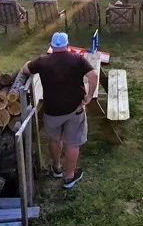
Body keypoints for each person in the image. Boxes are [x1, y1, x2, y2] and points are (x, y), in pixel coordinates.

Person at [21, 32, 98, 190]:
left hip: (52, 110)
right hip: (74, 110)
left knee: (55, 139)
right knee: (73, 143)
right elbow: (93, 76)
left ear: (51, 45)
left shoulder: (43, 61)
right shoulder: (77, 60)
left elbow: (25, 69)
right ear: (67, 45)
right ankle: (69, 177)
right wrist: (89, 96)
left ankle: (56, 167)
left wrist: (30, 62)